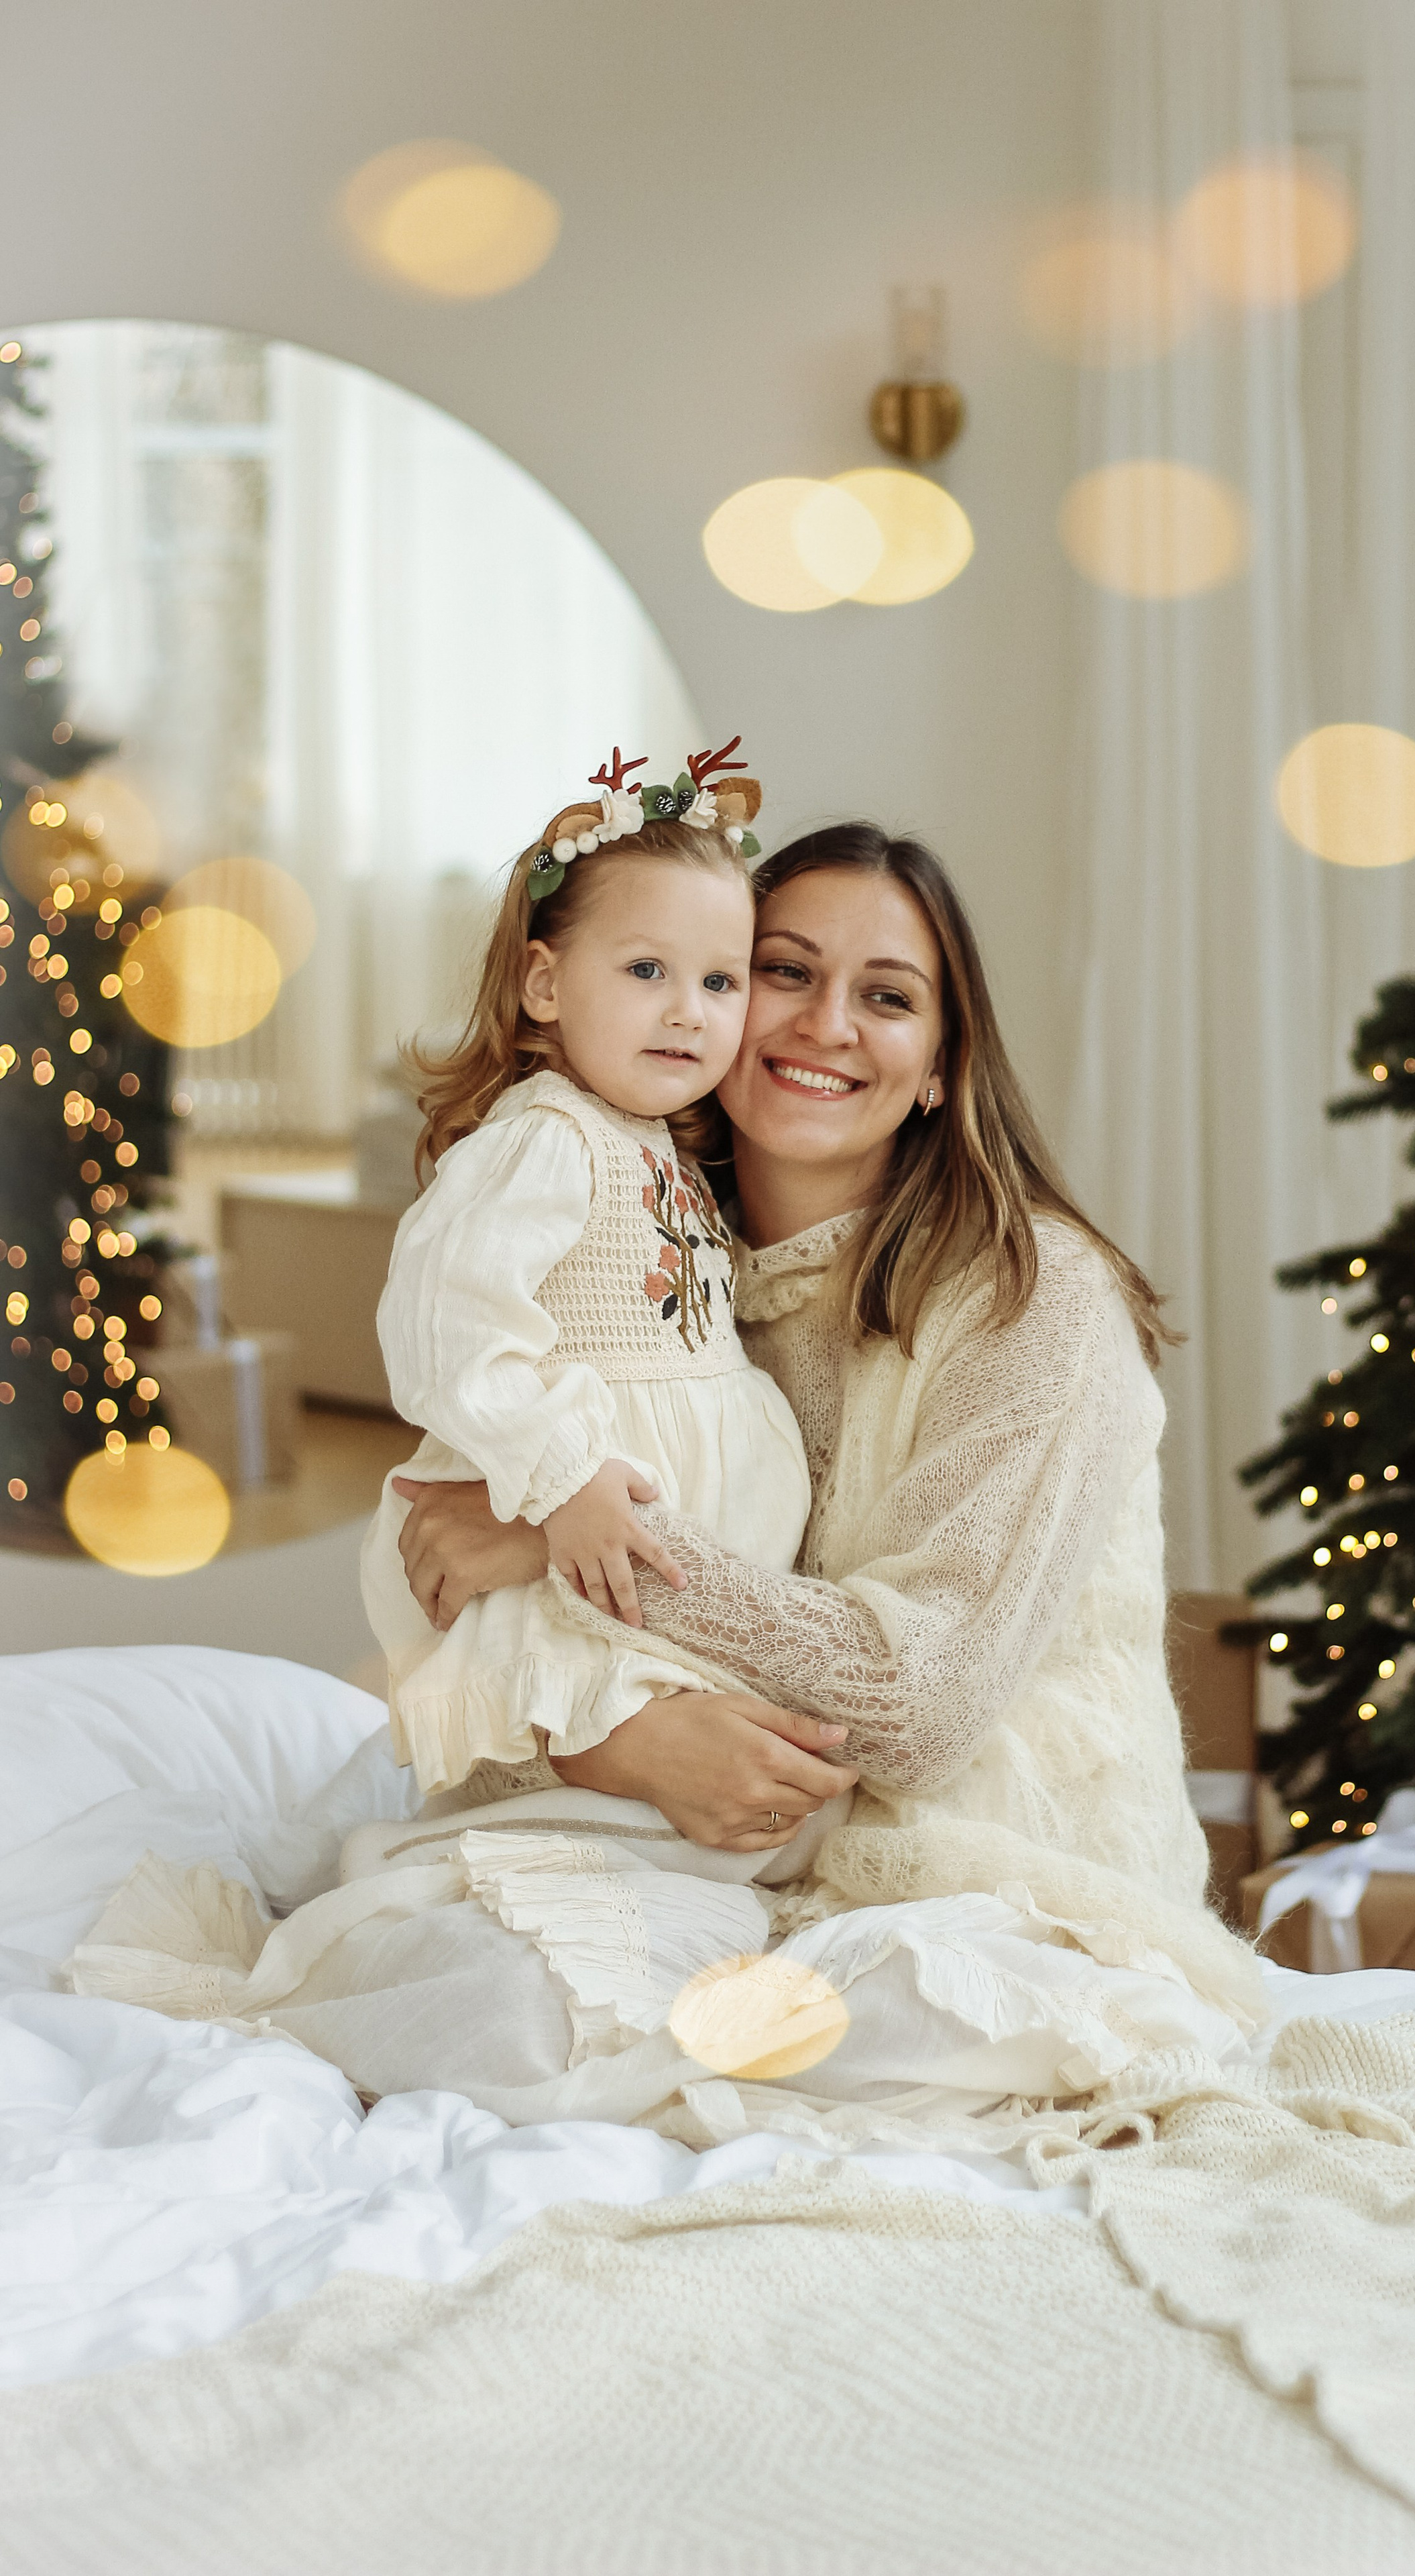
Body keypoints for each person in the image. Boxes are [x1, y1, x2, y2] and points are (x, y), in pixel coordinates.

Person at [73, 824, 1263, 2147]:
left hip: (991, 1890)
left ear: (940, 1069)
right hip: (741, 1858)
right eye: (778, 971)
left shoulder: (1035, 1301)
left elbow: (919, 1702)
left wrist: (563, 1547)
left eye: (885, 997)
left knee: (904, 2009)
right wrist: (610, 1740)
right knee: (475, 1978)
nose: (821, 1024)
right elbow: (465, 1579)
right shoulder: (655, 1264)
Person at [354, 741, 818, 1880]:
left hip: (650, 1574)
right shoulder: (547, 1138)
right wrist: (563, 1475)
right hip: (568, 1537)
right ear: (547, 984)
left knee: (699, 1830)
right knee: (571, 1794)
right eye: (647, 970)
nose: (689, 1013)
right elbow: (443, 1324)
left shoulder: (654, 1146)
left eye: (721, 982)